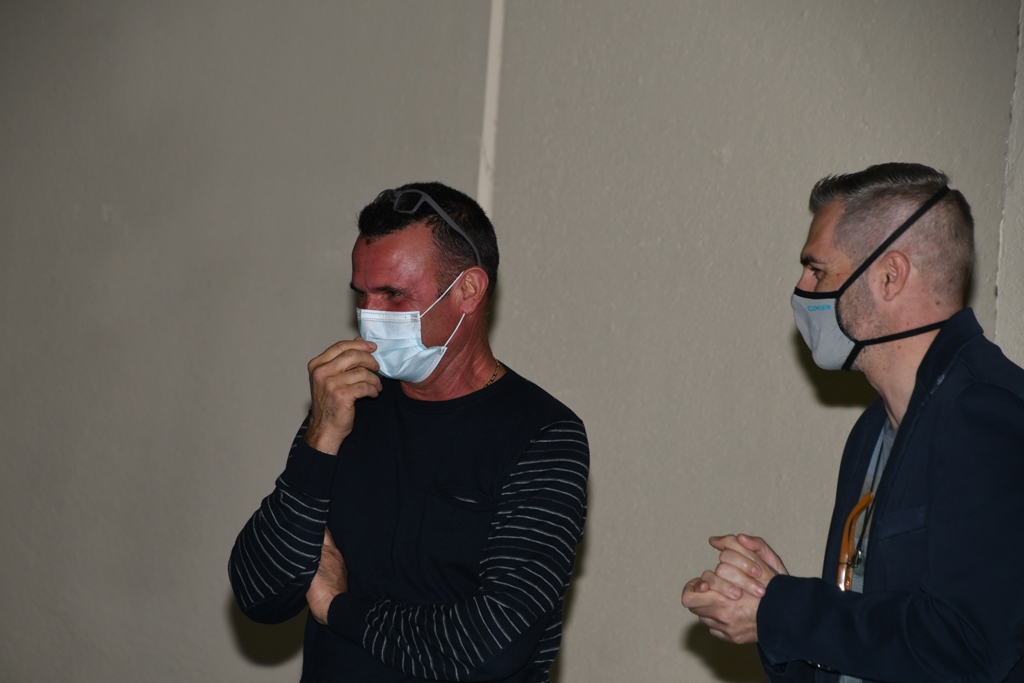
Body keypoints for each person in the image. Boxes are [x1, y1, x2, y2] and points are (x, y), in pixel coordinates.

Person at [229, 182, 589, 682]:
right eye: (362, 294)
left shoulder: (543, 435)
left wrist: (338, 608)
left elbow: (494, 645)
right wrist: (320, 438)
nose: (371, 316)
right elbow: (259, 594)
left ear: (467, 290)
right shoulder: (350, 405)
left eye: (394, 295)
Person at [681, 163, 1024, 682]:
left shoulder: (988, 416)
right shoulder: (872, 432)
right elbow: (868, 649)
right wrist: (765, 607)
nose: (801, 288)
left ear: (890, 276)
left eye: (817, 270)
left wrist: (786, 610)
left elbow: (965, 646)